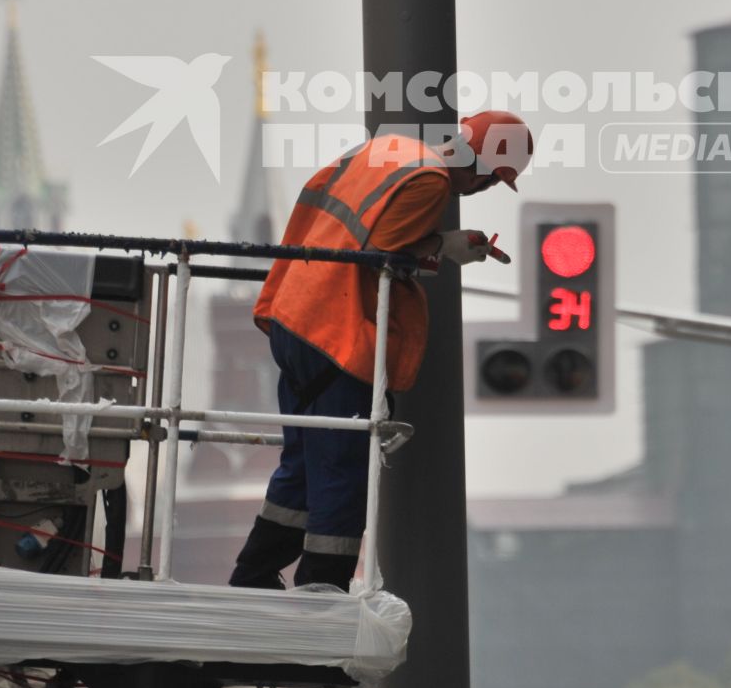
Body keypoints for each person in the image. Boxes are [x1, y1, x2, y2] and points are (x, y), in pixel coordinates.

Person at [227, 110, 532, 590]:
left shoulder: (385, 151)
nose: (487, 189)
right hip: (336, 330)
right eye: (493, 181)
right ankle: (319, 600)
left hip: (295, 311)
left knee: (303, 465)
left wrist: (436, 245)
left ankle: (251, 579)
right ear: (484, 168)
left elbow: (337, 220)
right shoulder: (431, 181)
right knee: (343, 476)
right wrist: (447, 246)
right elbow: (382, 254)